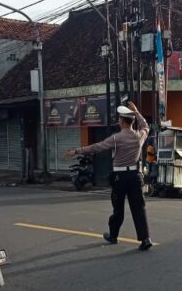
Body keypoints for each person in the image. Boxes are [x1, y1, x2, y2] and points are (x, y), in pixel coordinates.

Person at [65, 102, 152, 251]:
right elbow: (146, 126)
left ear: (122, 121)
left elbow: (97, 147)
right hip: (135, 176)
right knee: (139, 208)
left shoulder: (116, 138)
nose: (118, 121)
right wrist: (137, 112)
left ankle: (113, 235)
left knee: (118, 209)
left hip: (120, 178)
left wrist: (77, 151)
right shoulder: (139, 136)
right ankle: (145, 239)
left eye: (119, 119)